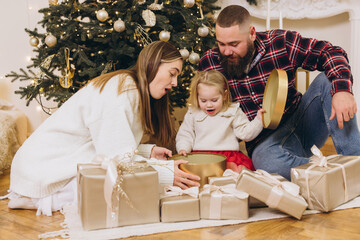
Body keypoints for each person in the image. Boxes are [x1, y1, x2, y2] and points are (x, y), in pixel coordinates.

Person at [3, 41, 200, 216]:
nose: (174, 83)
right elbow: (116, 159)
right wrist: (165, 173)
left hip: (43, 164)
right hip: (40, 169)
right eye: (172, 74)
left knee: (125, 188)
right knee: (113, 190)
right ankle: (36, 199)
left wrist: (148, 152)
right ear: (153, 64)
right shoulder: (122, 90)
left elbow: (106, 144)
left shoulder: (131, 89)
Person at [198, 5, 360, 180]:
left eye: (234, 44)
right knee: (266, 164)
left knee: (329, 81)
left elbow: (331, 52)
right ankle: (330, 175)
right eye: (221, 44)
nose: (227, 51)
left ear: (252, 33)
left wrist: (343, 90)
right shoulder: (210, 64)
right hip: (265, 143)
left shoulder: (280, 42)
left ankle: (355, 165)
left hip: (303, 122)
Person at [176, 70, 264, 173]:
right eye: (203, 101)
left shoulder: (232, 111)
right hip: (200, 157)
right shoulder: (193, 113)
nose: (209, 105)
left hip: (228, 157)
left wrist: (258, 121)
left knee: (235, 176)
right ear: (197, 97)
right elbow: (185, 134)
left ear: (224, 95)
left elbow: (245, 133)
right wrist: (183, 148)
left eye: (214, 100)